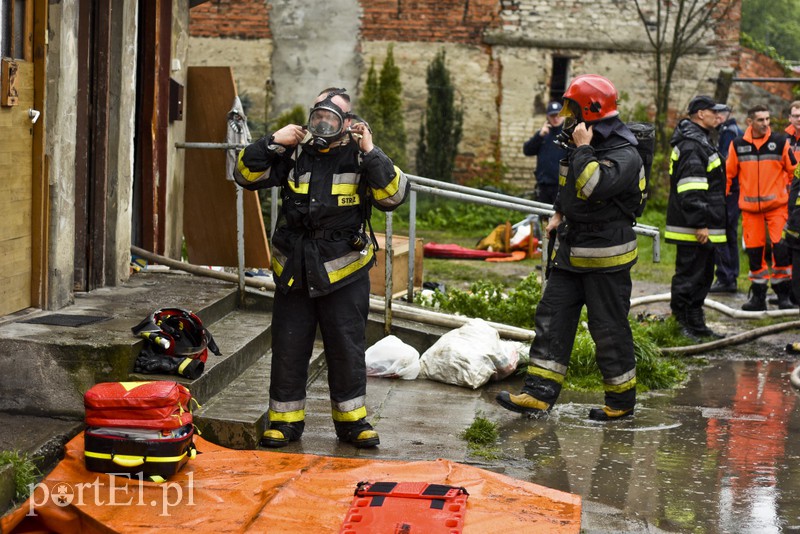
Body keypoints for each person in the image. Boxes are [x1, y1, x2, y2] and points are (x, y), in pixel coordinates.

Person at [234, 87, 409, 448]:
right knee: (289, 346)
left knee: (346, 347)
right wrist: (271, 142)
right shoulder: (294, 151)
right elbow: (245, 176)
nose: (325, 120)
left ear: (350, 123)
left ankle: (352, 424)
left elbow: (393, 196)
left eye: (335, 115)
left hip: (343, 271)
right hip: (294, 268)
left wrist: (370, 150)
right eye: (320, 112)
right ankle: (284, 423)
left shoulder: (361, 157)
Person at [496, 74, 645, 421]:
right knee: (551, 318)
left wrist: (583, 150)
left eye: (573, 108)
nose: (568, 116)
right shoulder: (578, 142)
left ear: (591, 110)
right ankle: (537, 394)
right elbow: (570, 187)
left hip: (607, 257)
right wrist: (558, 212)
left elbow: (594, 185)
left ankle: (620, 402)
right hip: (571, 251)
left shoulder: (625, 152)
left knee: (608, 329)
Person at [666, 96, 728, 340]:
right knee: (689, 275)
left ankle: (695, 323)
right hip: (693, 226)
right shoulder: (692, 144)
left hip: (703, 224)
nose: (719, 117)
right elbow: (692, 188)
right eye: (714, 112)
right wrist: (700, 223)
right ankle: (680, 324)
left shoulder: (701, 140)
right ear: (700, 114)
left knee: (702, 276)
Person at [726, 104, 797, 310]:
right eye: (761, 120)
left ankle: (784, 296)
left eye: (768, 119)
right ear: (750, 122)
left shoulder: (780, 142)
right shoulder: (737, 145)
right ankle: (758, 297)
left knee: (781, 251)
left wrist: (794, 198)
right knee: (755, 254)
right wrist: (722, 203)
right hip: (749, 210)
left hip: (777, 207)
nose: (766, 124)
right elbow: (728, 176)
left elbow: (794, 171)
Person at [709, 104, 744, 294]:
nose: (714, 117)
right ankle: (731, 276)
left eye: (716, 114)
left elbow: (725, 163)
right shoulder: (734, 130)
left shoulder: (729, 132)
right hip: (735, 191)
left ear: (722, 115)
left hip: (730, 191)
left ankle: (725, 277)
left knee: (722, 232)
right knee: (729, 234)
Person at [523, 101, 569, 205]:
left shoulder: (568, 135)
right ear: (547, 117)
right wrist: (539, 136)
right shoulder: (543, 134)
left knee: (559, 218)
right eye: (552, 116)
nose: (555, 118)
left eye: (558, 115)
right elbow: (527, 150)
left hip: (561, 187)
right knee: (543, 218)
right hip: (543, 185)